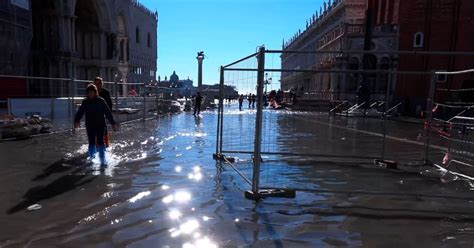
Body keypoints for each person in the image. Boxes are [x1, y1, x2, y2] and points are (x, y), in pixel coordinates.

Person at [75, 84, 118, 165]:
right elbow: (80, 112)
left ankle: (103, 159)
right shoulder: (85, 102)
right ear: (87, 93)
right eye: (89, 92)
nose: (91, 94)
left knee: (100, 141)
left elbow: (108, 113)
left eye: (92, 92)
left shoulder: (101, 101)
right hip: (90, 125)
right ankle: (92, 159)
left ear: (95, 92)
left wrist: (113, 124)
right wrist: (76, 121)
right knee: (91, 142)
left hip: (100, 124)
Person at [94, 77, 113, 147]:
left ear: (102, 84)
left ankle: (107, 143)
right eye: (96, 84)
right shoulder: (92, 93)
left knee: (104, 128)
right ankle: (96, 144)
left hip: (103, 113)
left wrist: (108, 114)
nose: (97, 85)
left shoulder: (106, 92)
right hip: (94, 114)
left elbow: (110, 104)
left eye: (99, 83)